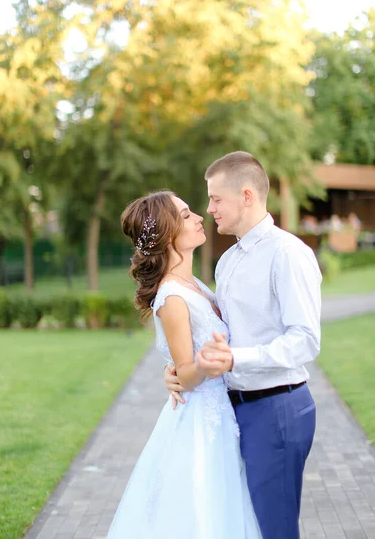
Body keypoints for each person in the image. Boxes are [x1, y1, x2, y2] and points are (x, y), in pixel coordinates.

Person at [165, 151, 322, 539]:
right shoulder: (227, 261)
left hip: (277, 408)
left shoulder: (287, 254)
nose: (209, 208)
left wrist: (236, 359)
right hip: (237, 411)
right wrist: (183, 368)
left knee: (275, 529)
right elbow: (220, 333)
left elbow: (305, 340)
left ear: (247, 196)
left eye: (216, 199)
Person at [106, 190, 262, 539]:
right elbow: (187, 373)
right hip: (201, 421)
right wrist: (205, 366)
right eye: (187, 214)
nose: (199, 218)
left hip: (222, 412)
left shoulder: (195, 286)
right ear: (167, 233)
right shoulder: (172, 297)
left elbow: (181, 367)